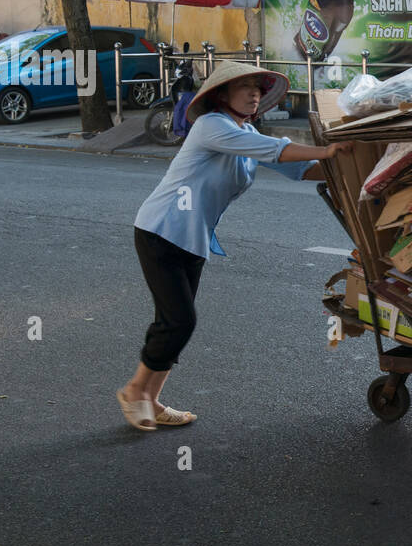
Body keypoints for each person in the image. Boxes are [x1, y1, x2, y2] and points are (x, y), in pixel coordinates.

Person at [117, 60, 352, 431]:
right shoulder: (213, 126)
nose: (255, 93)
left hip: (191, 239)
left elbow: (298, 168)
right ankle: (135, 391)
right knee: (179, 320)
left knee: (175, 322)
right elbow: (279, 149)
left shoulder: (243, 133)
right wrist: (326, 151)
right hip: (160, 230)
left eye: (258, 88)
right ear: (222, 95)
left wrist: (356, 168)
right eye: (246, 87)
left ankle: (152, 399)